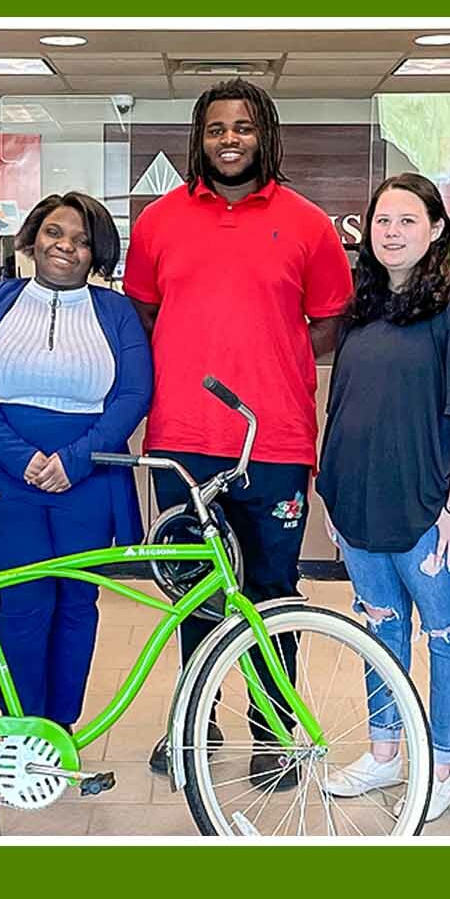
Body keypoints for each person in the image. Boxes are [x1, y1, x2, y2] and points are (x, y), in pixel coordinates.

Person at [123, 78, 354, 790]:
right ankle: (197, 718)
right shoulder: (159, 221)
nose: (230, 139)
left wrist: (268, 358)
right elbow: (144, 316)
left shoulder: (309, 223)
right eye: (217, 127)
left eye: (244, 127)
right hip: (181, 442)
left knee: (272, 591)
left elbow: (327, 321)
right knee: (193, 589)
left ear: (266, 135)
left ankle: (272, 727)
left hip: (274, 442)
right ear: (200, 137)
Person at [316, 174, 450, 823]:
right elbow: (341, 405)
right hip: (360, 505)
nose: (391, 232)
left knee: (447, 635)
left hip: (433, 512)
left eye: (406, 220)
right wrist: (332, 497)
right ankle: (385, 753)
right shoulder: (363, 306)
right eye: (382, 221)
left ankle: (441, 764)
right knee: (381, 633)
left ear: (436, 229)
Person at [0, 192, 152, 729]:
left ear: (97, 255)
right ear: (34, 238)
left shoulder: (116, 311)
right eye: (55, 232)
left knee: (77, 606)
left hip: (88, 479)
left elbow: (134, 394)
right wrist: (23, 459)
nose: (66, 246)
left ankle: (59, 732)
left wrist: (74, 460)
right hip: (5, 476)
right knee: (24, 603)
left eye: (83, 241)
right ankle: (19, 729)